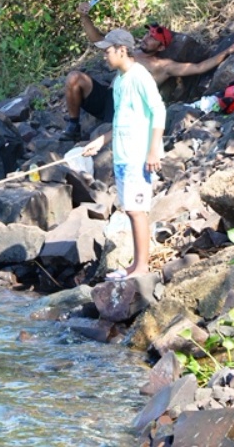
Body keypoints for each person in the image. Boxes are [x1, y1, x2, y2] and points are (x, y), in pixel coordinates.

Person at [63, 0, 234, 139]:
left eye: (152, 38)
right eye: (147, 34)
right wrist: (84, 16)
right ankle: (73, 126)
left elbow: (198, 67)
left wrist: (227, 51)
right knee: (74, 77)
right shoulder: (128, 51)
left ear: (160, 48)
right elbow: (99, 40)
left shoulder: (162, 66)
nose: (146, 38)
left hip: (125, 108)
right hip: (108, 97)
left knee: (110, 134)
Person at [81, 28, 166, 281]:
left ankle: (141, 268)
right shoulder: (119, 81)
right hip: (122, 154)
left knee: (137, 210)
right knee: (129, 209)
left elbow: (159, 111)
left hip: (139, 155)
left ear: (122, 50)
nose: (105, 56)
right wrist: (101, 140)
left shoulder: (140, 76)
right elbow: (121, 120)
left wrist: (153, 151)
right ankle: (134, 266)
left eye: (107, 51)